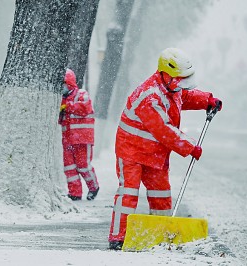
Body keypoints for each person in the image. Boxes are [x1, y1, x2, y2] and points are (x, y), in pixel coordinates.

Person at [108, 48, 223, 250]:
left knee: (161, 194)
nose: (182, 84)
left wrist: (206, 100)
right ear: (165, 73)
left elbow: (184, 97)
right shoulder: (149, 97)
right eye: (179, 79)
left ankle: (160, 233)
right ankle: (118, 236)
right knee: (128, 194)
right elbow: (164, 130)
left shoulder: (171, 88)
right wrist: (190, 147)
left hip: (154, 153)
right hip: (131, 151)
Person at [59, 69, 100, 201]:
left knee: (84, 166)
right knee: (69, 167)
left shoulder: (81, 94)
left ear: (69, 83)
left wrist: (67, 105)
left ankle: (93, 187)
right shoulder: (61, 100)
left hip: (82, 139)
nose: (62, 87)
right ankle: (75, 193)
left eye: (64, 84)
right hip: (68, 139)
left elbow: (84, 108)